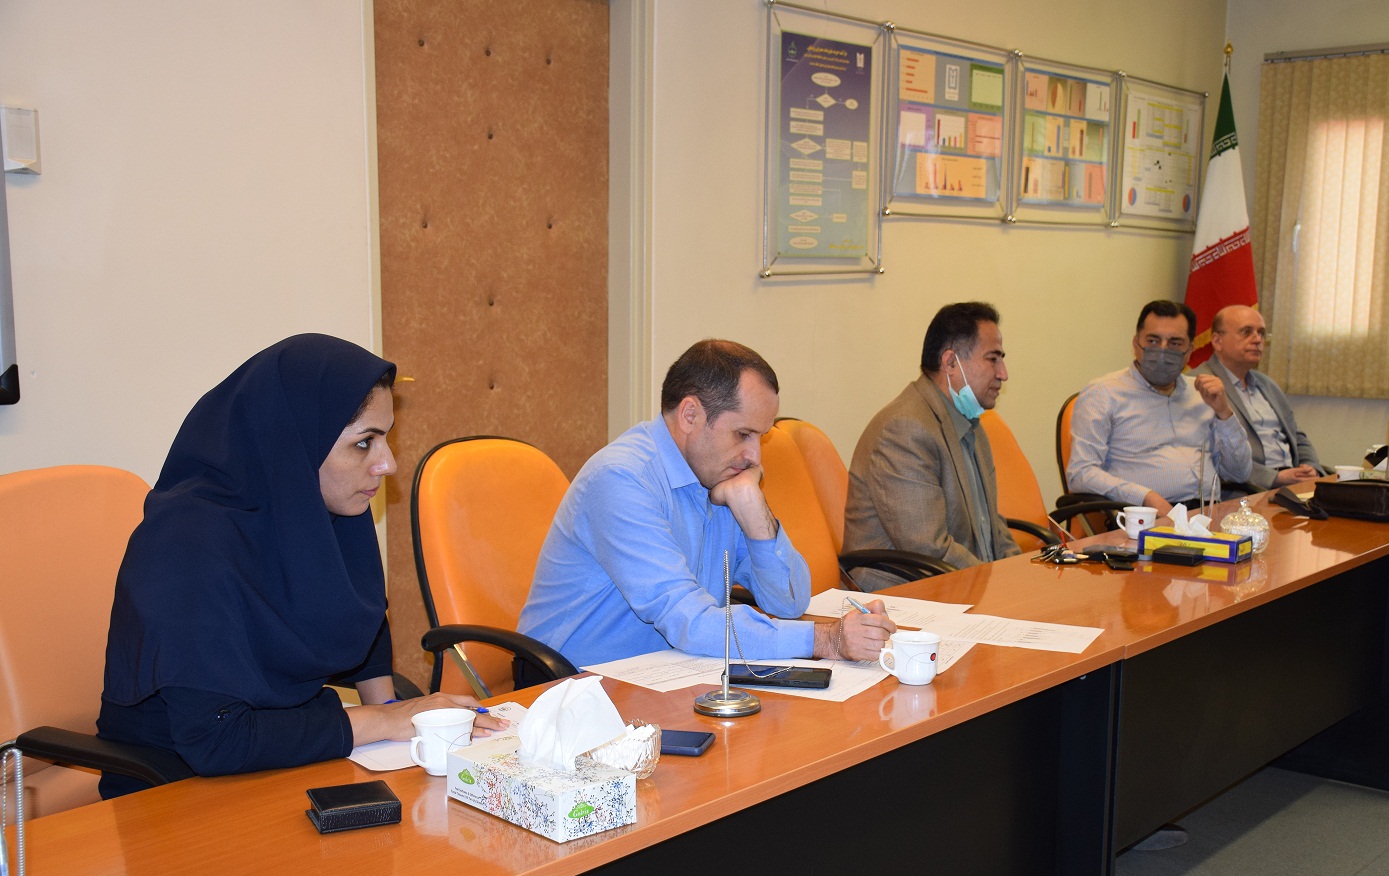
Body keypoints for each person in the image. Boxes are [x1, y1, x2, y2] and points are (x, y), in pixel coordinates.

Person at [98, 334, 496, 798]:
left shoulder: (319, 507)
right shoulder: (187, 544)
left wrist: (397, 723)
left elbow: (359, 619)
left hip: (281, 762)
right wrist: (385, 719)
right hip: (173, 789)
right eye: (364, 443)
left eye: (386, 438)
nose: (387, 464)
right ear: (295, 443)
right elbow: (217, 740)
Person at [519, 339, 896, 667]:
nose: (754, 456)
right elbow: (688, 620)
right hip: (570, 686)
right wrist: (826, 640)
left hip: (669, 673)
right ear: (690, 415)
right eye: (743, 434)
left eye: (760, 437)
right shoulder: (621, 479)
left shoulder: (723, 478)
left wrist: (754, 512)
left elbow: (789, 602)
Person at [844, 302, 1021, 590]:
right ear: (950, 363)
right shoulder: (905, 429)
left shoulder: (970, 423)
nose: (1003, 373)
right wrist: (997, 584)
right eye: (993, 359)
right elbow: (930, 549)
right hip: (903, 594)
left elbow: (991, 526)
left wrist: (1022, 573)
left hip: (963, 584)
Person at [1067, 300, 1251, 517]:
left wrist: (1224, 413)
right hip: (1144, 517)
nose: (1162, 350)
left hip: (1207, 516)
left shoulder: (1203, 394)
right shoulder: (1104, 393)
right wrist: (1144, 496)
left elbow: (1239, 473)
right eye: (1153, 340)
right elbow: (1081, 473)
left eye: (1175, 343)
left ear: (1189, 351)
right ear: (1136, 344)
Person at [1198, 304, 1324, 492]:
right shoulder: (1201, 385)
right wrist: (1274, 478)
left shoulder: (1267, 384)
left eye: (1261, 333)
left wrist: (1310, 467)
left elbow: (1296, 435)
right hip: (1246, 490)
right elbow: (1208, 453)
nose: (1257, 339)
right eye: (1246, 332)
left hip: (1292, 483)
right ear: (1217, 341)